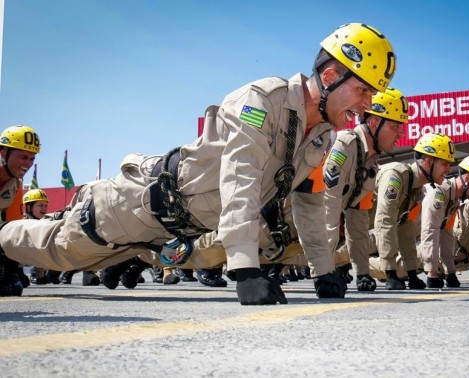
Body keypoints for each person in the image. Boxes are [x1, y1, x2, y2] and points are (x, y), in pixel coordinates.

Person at [0, 23, 397, 305]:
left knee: (76, 254)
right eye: (363, 90)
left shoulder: (321, 137)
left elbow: (310, 203)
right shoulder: (261, 101)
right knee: (56, 252)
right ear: (329, 76)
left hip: (168, 235)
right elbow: (241, 176)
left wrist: (324, 270)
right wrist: (245, 270)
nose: (367, 104)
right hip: (133, 209)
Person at [324, 87, 408, 292]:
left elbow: (358, 221)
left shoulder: (370, 164)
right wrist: (324, 272)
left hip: (306, 237)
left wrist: (362, 273)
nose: (401, 133)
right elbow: (327, 209)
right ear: (373, 123)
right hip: (284, 228)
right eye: (396, 126)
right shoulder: (345, 146)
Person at [375, 133, 456, 290]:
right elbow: (385, 222)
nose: (448, 169)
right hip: (359, 232)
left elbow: (405, 228)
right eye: (445, 164)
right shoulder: (396, 177)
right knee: (350, 250)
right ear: (428, 161)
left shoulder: (417, 188)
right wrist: (391, 274)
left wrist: (412, 274)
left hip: (371, 232)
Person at [419, 154, 469, 288]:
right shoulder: (439, 192)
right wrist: (432, 273)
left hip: (418, 247)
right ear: (468, 178)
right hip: (396, 242)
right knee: (397, 267)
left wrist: (450, 272)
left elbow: (446, 233)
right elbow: (430, 230)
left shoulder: (454, 199)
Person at [0, 125, 40, 296]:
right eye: (23, 156)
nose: (28, 164)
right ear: (4, 154)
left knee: (15, 286)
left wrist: (12, 272)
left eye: (32, 158)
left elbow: (12, 228)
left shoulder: (15, 183)